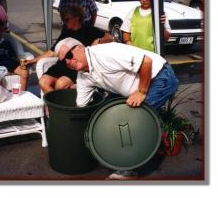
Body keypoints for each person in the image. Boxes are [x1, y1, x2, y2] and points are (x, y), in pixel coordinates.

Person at [55, 38, 179, 179]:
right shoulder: (83, 76)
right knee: (103, 115)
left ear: (79, 48)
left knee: (130, 121)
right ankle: (125, 150)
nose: (67, 62)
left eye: (68, 56)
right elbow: (81, 105)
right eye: (63, 61)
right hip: (132, 89)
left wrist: (142, 92)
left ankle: (128, 170)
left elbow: (146, 61)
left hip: (159, 77)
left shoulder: (106, 52)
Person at [26, 6, 113, 94]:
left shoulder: (89, 30)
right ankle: (54, 105)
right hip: (61, 65)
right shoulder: (65, 32)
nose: (64, 22)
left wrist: (98, 40)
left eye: (67, 19)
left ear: (76, 18)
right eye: (63, 19)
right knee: (43, 82)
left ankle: (59, 105)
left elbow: (109, 37)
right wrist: (33, 60)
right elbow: (52, 52)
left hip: (76, 67)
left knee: (61, 84)